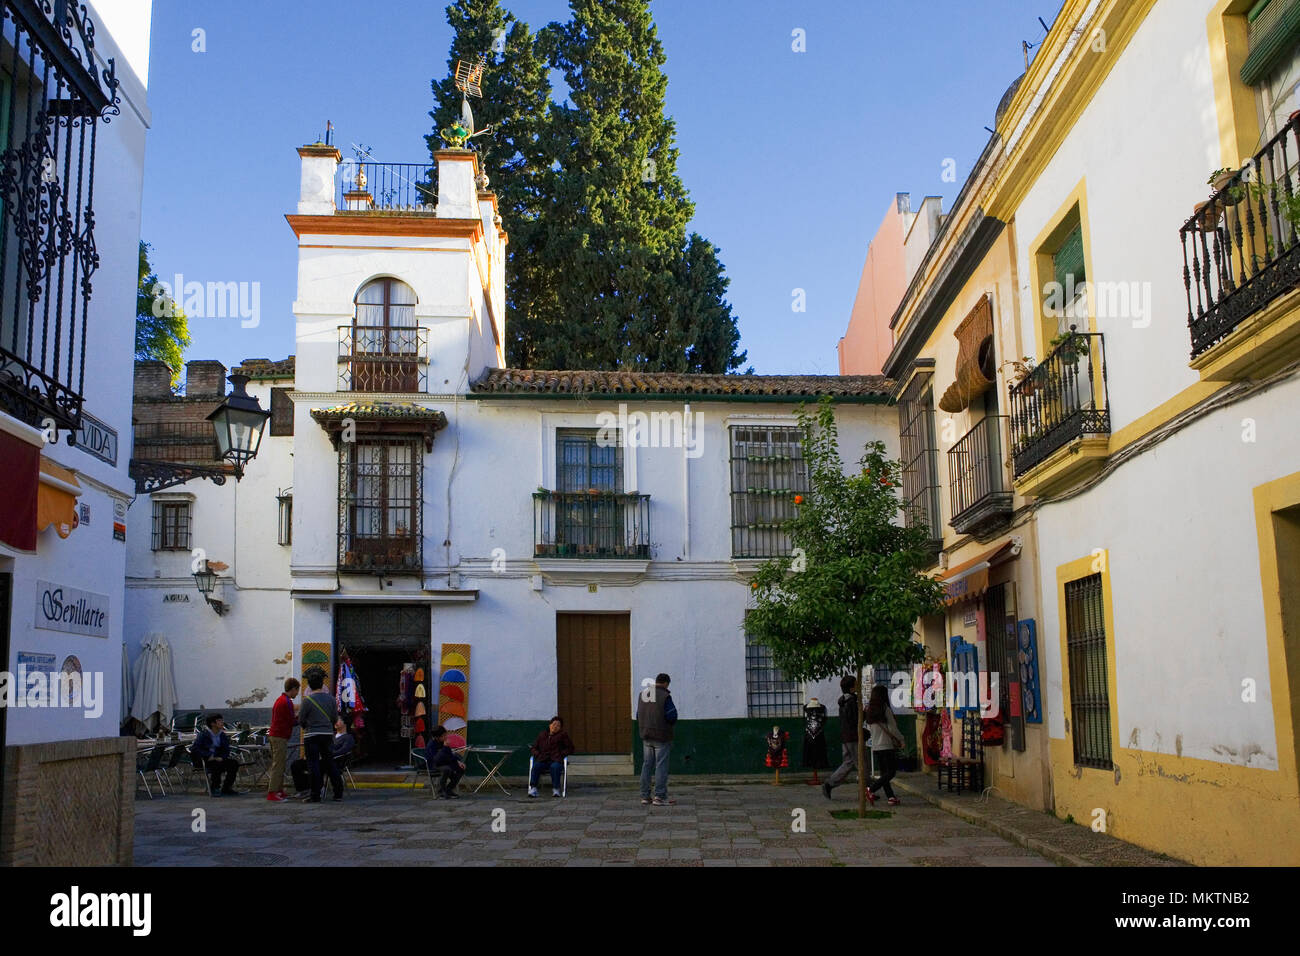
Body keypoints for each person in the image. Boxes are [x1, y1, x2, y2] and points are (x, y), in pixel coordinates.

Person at [298, 667, 343, 802]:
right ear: (322, 684)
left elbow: (301, 720)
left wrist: (307, 725)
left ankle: (315, 795)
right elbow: (335, 718)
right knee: (329, 762)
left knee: (313, 764)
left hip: (311, 735)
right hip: (327, 734)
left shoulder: (307, 701)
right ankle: (338, 793)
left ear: (310, 685)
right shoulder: (331, 699)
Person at [637, 673, 677, 806]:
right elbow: (672, 716)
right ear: (666, 683)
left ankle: (645, 796)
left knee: (646, 765)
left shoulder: (643, 694)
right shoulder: (665, 696)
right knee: (661, 766)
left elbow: (638, 715)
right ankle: (659, 796)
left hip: (646, 735)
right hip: (661, 736)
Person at [864, 684, 905, 806]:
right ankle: (871, 789)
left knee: (884, 774)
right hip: (886, 745)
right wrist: (901, 739)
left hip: (876, 746)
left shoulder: (869, 710)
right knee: (891, 772)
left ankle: (891, 797)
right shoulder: (885, 709)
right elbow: (892, 728)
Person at [290, 719, 354, 796]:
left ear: (345, 723)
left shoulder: (348, 737)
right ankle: (304, 789)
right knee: (296, 764)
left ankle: (318, 788)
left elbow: (344, 750)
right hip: (320, 758)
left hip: (333, 761)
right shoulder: (330, 735)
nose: (335, 722)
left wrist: (329, 754)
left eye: (338, 720)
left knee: (317, 765)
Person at [822, 675, 861, 800]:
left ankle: (830, 783)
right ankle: (869, 789)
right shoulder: (852, 702)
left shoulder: (843, 702)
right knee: (862, 764)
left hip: (845, 737)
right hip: (853, 737)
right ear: (851, 688)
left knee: (848, 763)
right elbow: (854, 720)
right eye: (856, 684)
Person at [266, 677, 299, 802]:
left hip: (276, 735)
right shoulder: (287, 702)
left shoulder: (280, 700)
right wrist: (301, 718)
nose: (297, 693)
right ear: (293, 689)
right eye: (297, 690)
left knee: (279, 764)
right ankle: (272, 792)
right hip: (280, 736)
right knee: (278, 765)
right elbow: (291, 721)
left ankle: (279, 790)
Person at [192, 714, 241, 796]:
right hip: (205, 759)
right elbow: (195, 749)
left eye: (222, 720)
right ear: (213, 724)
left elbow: (226, 749)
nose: (222, 723)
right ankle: (215, 787)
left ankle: (227, 787)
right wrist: (208, 755)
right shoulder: (203, 735)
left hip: (218, 758)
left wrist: (222, 757)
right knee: (216, 765)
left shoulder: (222, 735)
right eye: (219, 721)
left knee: (234, 763)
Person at [528, 716, 575, 797]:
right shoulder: (542, 735)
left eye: (558, 725)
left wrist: (561, 754)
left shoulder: (563, 735)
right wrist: (537, 754)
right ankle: (533, 788)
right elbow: (534, 748)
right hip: (543, 759)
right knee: (536, 766)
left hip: (556, 759)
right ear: (550, 725)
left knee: (555, 767)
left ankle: (556, 789)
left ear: (560, 728)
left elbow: (570, 748)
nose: (555, 726)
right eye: (554, 724)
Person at [425, 726, 465, 798]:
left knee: (460, 769)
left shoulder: (443, 742)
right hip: (434, 765)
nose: (446, 737)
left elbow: (450, 755)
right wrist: (444, 748)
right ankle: (440, 792)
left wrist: (458, 762)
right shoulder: (431, 745)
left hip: (444, 763)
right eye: (443, 736)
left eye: (445, 734)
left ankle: (448, 789)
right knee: (447, 769)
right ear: (437, 737)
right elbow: (436, 760)